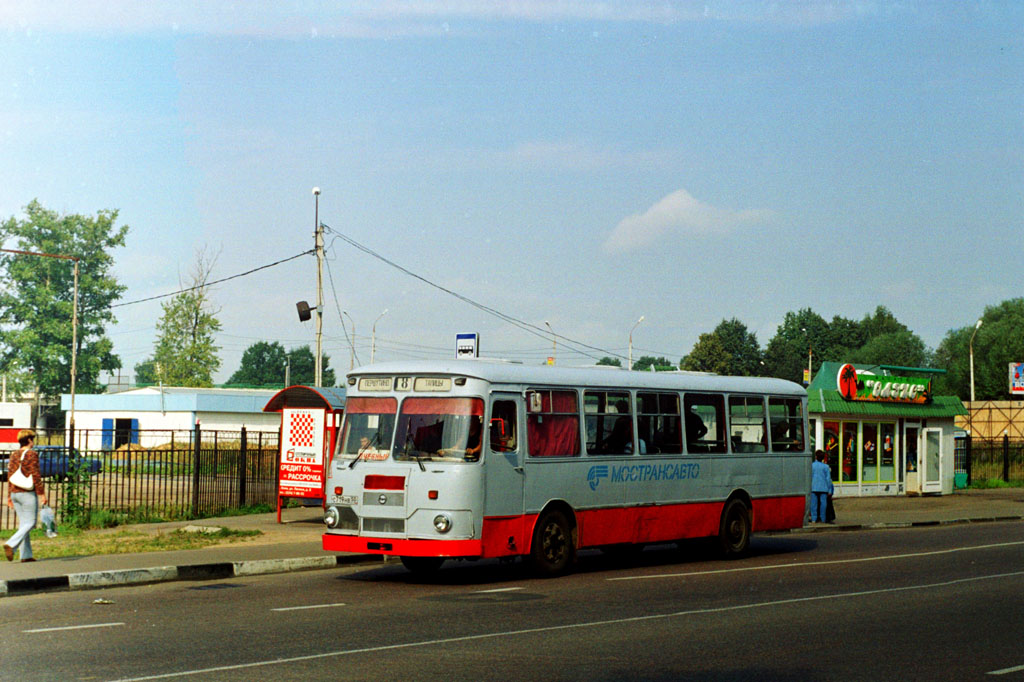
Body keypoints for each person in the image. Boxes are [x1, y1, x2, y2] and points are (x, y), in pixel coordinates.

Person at [4, 429, 46, 562]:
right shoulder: (32, 454)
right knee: (31, 523)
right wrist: (42, 494)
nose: (33, 442)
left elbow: (10, 475)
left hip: (15, 493)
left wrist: (9, 496)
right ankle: (11, 543)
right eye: (32, 439)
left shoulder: (14, 454)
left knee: (24, 524)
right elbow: (36, 474)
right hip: (27, 493)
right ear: (29, 440)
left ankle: (26, 555)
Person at [810, 449, 834, 524]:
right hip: (823, 488)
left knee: (813, 504)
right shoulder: (826, 467)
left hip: (813, 487)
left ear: (816, 457)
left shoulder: (812, 466)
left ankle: (814, 518)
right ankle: (822, 518)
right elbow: (828, 479)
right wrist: (830, 490)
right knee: (823, 504)